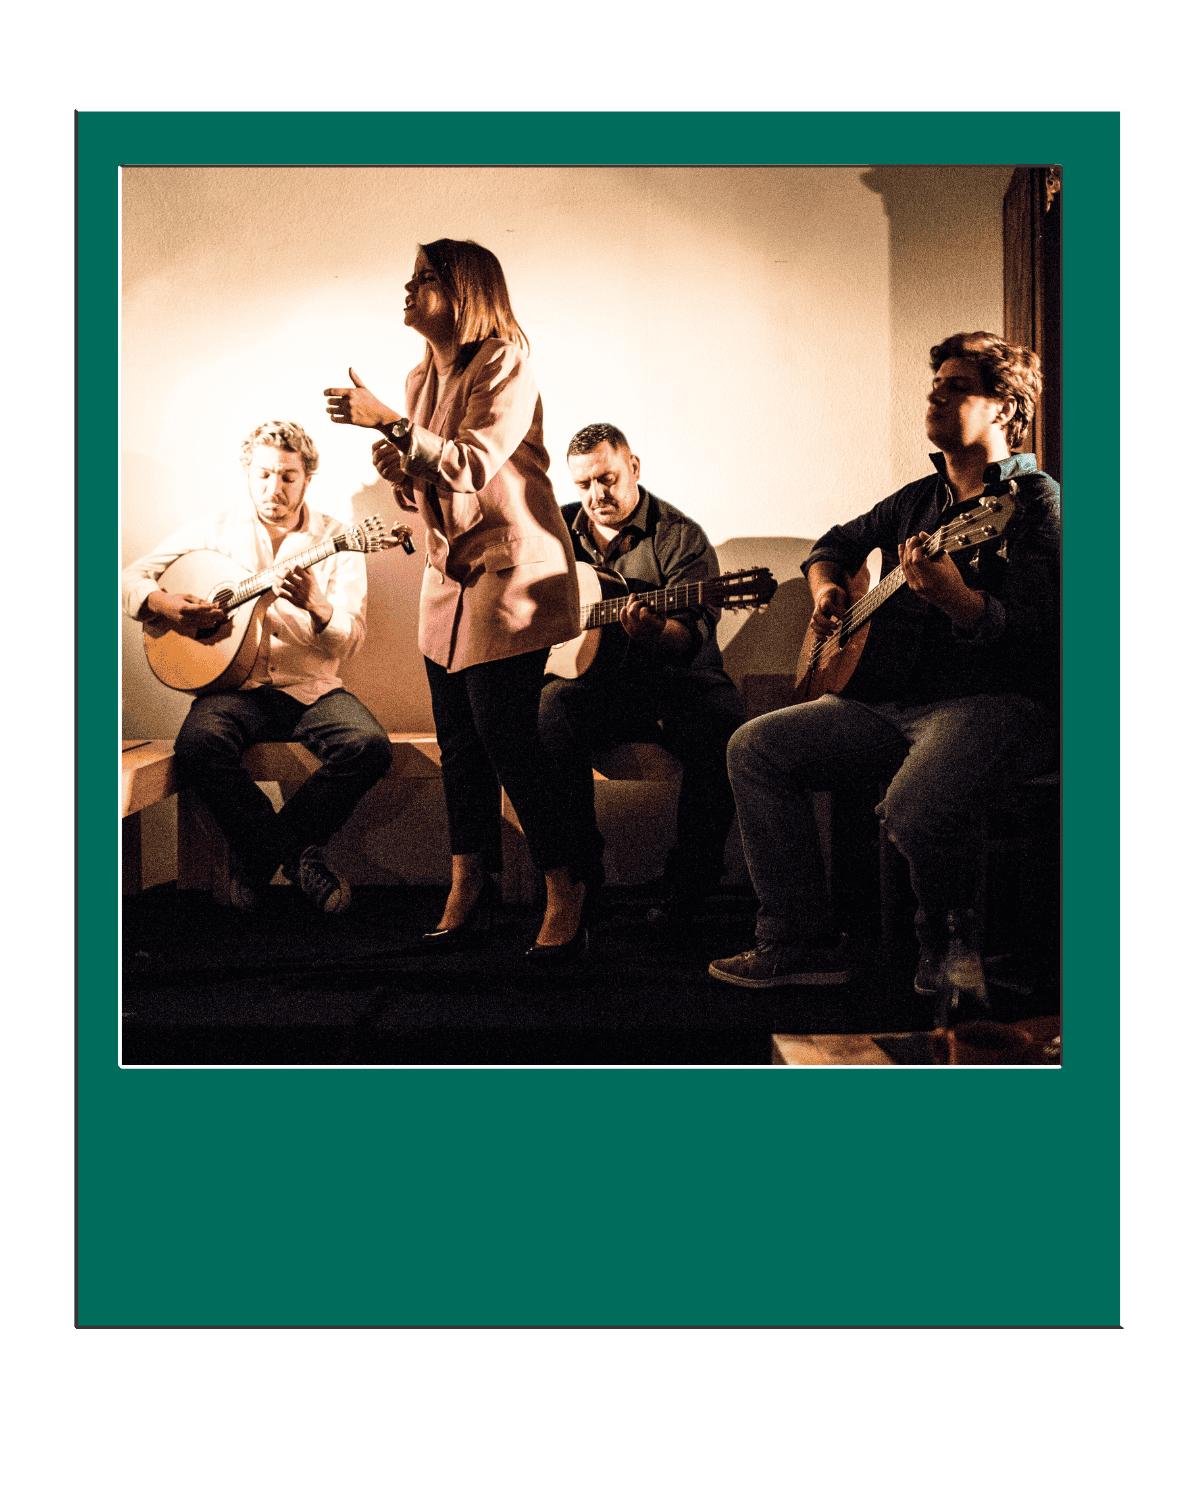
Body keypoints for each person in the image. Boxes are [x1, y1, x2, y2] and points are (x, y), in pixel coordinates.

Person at [708, 332, 1060, 1000]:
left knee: (915, 807)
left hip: (997, 705)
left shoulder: (1033, 501)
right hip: (889, 705)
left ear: (1005, 409)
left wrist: (958, 600)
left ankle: (948, 958)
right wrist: (828, 595)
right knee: (755, 747)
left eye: (956, 386)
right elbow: (832, 546)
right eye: (936, 384)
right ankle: (799, 942)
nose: (936, 393)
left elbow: (1039, 636)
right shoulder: (914, 501)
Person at [323, 238, 589, 960]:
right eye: (409, 277)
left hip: (511, 575)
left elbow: (471, 463)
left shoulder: (504, 362)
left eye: (425, 279)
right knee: (460, 747)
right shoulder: (417, 378)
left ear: (465, 290)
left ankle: (567, 885)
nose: (407, 289)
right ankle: (468, 883)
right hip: (450, 582)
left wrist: (390, 426)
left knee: (508, 740)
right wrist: (399, 465)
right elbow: (431, 485)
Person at [121, 420, 394, 913]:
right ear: (248, 472)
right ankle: (297, 857)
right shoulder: (215, 530)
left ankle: (259, 858)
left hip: (309, 687)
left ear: (307, 478)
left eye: (288, 476)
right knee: (198, 745)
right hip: (233, 688)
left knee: (369, 747)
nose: (275, 488)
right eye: (265, 474)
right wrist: (164, 605)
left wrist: (319, 607)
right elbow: (127, 580)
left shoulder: (337, 539)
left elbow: (350, 641)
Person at [538, 423, 745, 926]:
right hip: (599, 685)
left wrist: (655, 633)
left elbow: (693, 635)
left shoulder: (679, 536)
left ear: (633, 467)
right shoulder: (555, 532)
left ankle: (689, 886)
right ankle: (581, 877)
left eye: (606, 478)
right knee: (548, 709)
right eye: (583, 485)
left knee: (724, 721)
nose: (595, 495)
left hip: (674, 681)